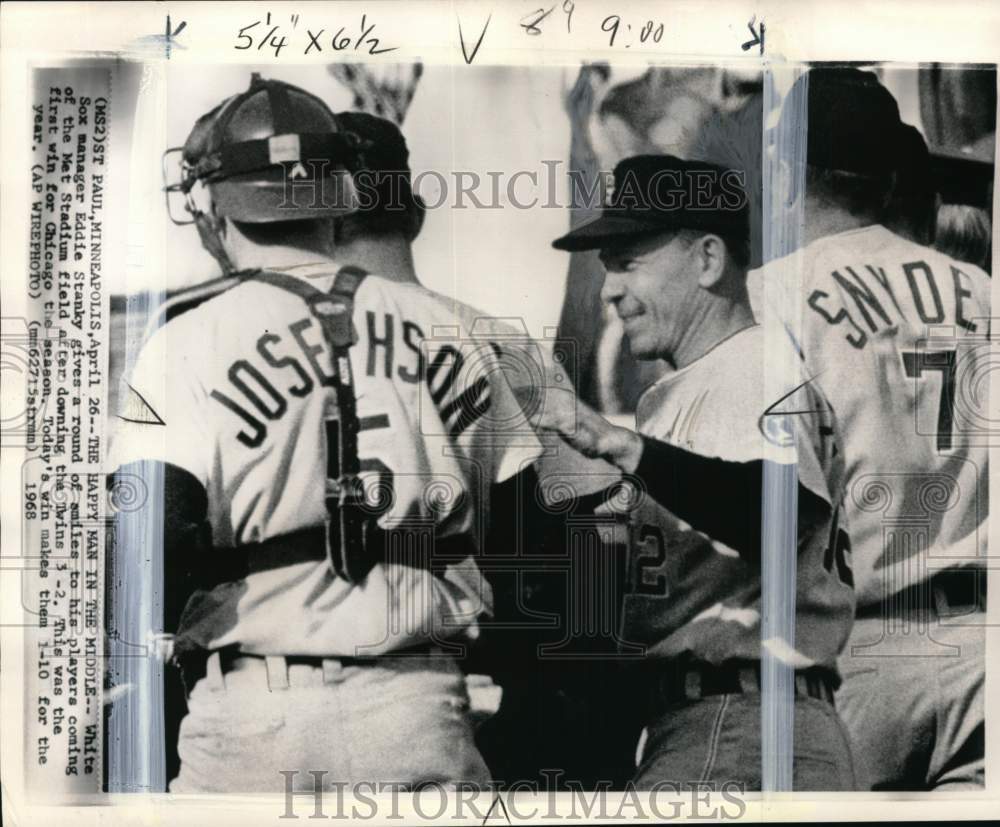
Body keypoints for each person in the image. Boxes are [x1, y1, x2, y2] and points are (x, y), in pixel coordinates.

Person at [108, 75, 540, 792]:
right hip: (419, 704)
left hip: (255, 716)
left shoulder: (185, 341)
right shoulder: (452, 332)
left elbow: (144, 554)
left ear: (209, 208)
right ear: (339, 197)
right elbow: (538, 541)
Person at [534, 154, 858, 790]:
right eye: (606, 267)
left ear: (709, 260)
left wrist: (618, 445)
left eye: (629, 261)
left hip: (736, 725)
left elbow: (773, 514)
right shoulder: (693, 387)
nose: (609, 289)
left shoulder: (751, 365)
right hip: (741, 720)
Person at [750, 66, 990, 790]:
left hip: (858, 653)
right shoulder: (984, 289)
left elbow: (773, 502)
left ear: (785, 174)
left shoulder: (768, 297)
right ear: (890, 182)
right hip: (985, 643)